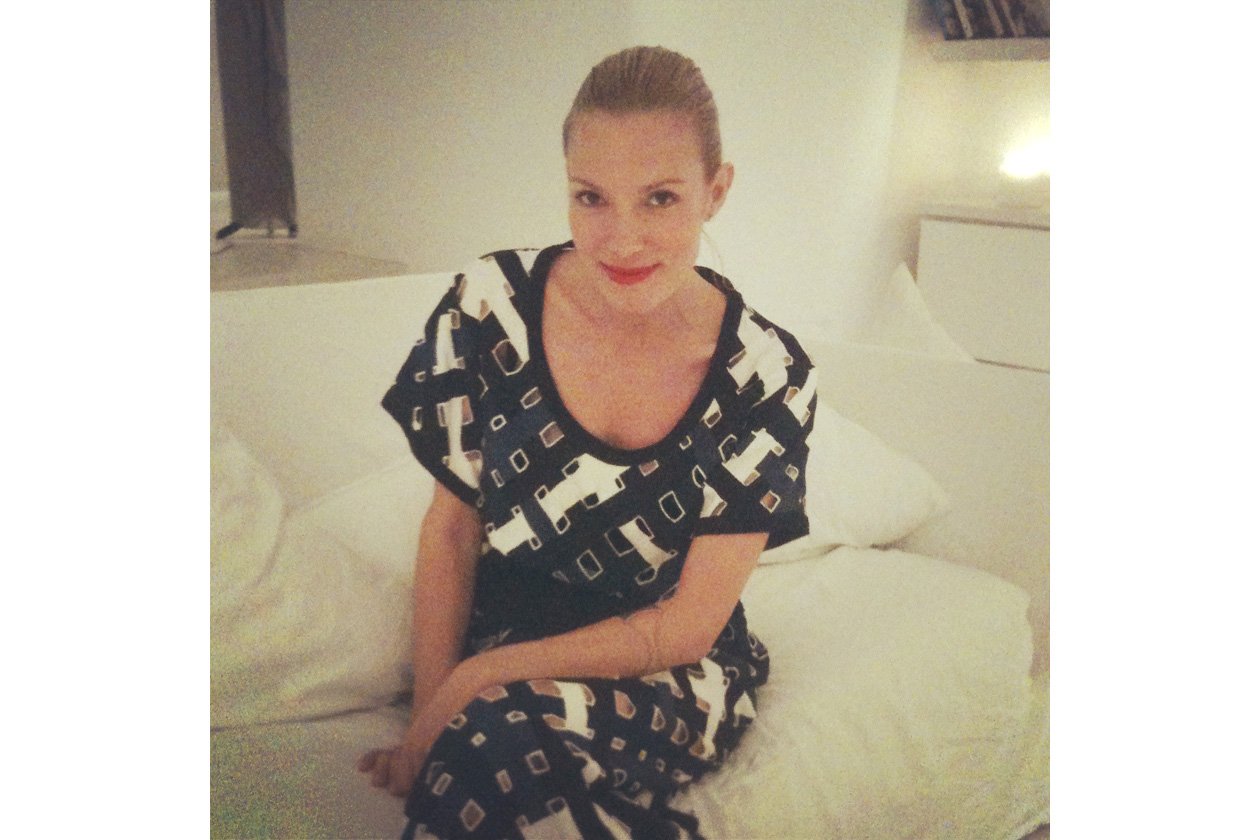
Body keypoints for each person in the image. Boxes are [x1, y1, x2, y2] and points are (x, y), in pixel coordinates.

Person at [359, 45, 817, 840]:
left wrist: (474, 683)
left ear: (716, 192)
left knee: (498, 742)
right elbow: (453, 530)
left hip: (666, 668)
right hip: (504, 630)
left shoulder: (765, 374)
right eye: (591, 197)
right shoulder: (489, 308)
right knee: (493, 760)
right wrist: (428, 722)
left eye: (660, 198)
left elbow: (687, 626)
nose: (621, 239)